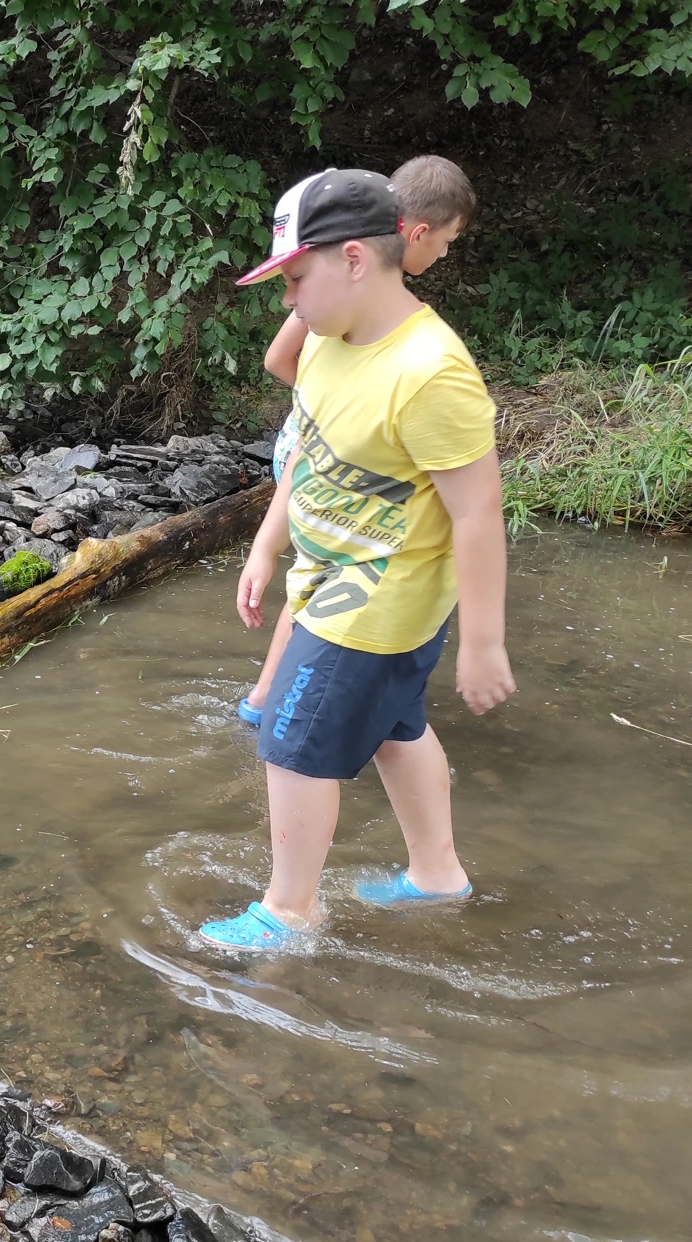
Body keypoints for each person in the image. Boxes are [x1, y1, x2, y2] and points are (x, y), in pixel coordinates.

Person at [200, 168, 515, 949]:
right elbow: (309, 458)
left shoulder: (431, 371)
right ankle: (437, 876)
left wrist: (483, 643)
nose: (287, 300)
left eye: (295, 279)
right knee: (396, 730)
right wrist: (266, 547)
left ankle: (289, 911)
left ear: (351, 260)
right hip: (329, 578)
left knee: (289, 743)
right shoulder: (324, 343)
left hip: (379, 598)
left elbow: (477, 512)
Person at [238, 155, 477, 726]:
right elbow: (280, 358)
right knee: (322, 579)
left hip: (326, 453)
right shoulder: (339, 292)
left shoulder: (376, 309)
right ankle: (269, 700)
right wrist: (349, 401)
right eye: (445, 242)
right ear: (415, 233)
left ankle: (273, 698)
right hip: (322, 450)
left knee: (320, 576)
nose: (444, 255)